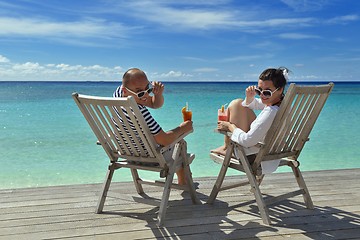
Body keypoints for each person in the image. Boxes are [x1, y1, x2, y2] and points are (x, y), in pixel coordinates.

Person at [113, 68, 193, 185]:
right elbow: (165, 140)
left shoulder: (119, 94)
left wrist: (158, 94)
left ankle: (183, 180)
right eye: (140, 92)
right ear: (126, 91)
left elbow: (154, 104)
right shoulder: (139, 112)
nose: (145, 96)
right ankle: (184, 182)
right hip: (149, 157)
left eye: (148, 89)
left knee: (176, 142)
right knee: (180, 144)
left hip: (127, 153)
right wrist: (183, 128)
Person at [211, 67, 289, 162]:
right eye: (259, 90)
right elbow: (254, 103)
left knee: (236, 104)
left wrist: (230, 126)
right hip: (272, 154)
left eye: (267, 92)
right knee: (238, 103)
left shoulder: (270, 112)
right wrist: (250, 97)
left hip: (254, 157)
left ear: (280, 90)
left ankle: (228, 148)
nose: (261, 95)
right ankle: (226, 147)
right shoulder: (281, 105)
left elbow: (247, 141)